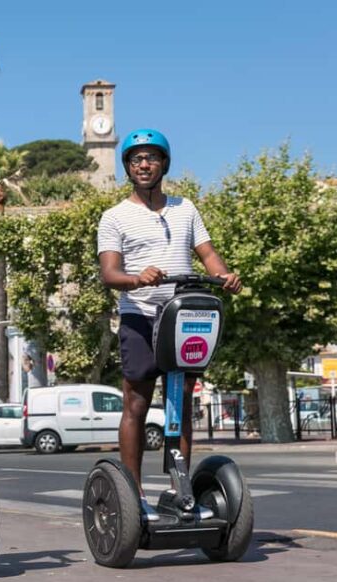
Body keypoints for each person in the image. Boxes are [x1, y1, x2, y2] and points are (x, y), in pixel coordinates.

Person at [97, 128, 242, 519]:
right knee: (137, 402)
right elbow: (109, 273)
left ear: (164, 164)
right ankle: (133, 495)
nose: (144, 165)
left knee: (179, 400)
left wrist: (224, 275)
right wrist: (135, 278)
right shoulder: (114, 217)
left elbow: (208, 254)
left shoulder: (186, 208)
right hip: (140, 316)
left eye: (151, 158)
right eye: (136, 159)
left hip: (183, 317)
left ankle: (181, 490)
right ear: (127, 167)